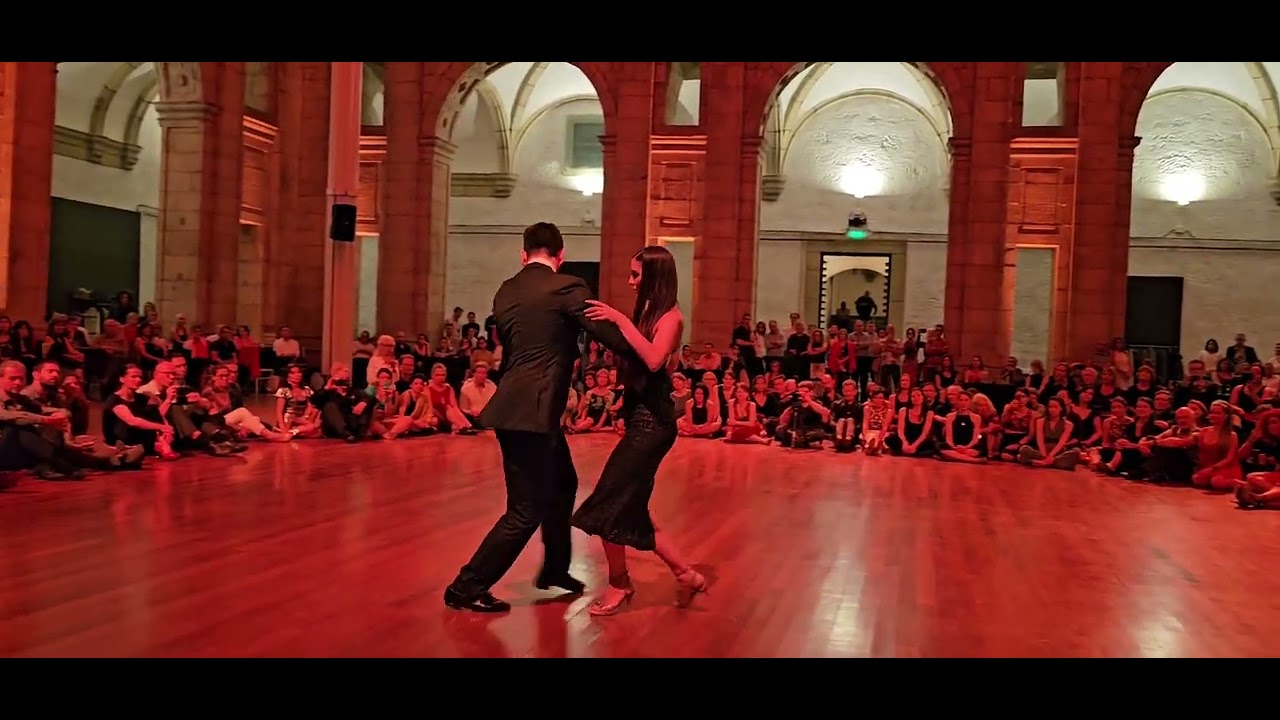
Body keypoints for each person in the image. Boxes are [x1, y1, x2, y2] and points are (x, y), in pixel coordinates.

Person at [443, 222, 633, 613]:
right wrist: (645, 340)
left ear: (523, 254)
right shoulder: (567, 287)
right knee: (526, 508)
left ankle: (555, 570)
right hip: (532, 413)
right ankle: (466, 586)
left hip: (517, 408)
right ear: (561, 255)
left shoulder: (507, 290)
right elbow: (610, 337)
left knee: (563, 484)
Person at [571, 246, 708, 616]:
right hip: (640, 420)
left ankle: (620, 584)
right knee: (629, 508)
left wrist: (618, 319)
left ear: (655, 277)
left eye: (636, 275)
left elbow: (653, 359)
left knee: (608, 504)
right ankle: (686, 575)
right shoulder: (649, 312)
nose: (631, 282)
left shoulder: (671, 318)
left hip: (653, 425)